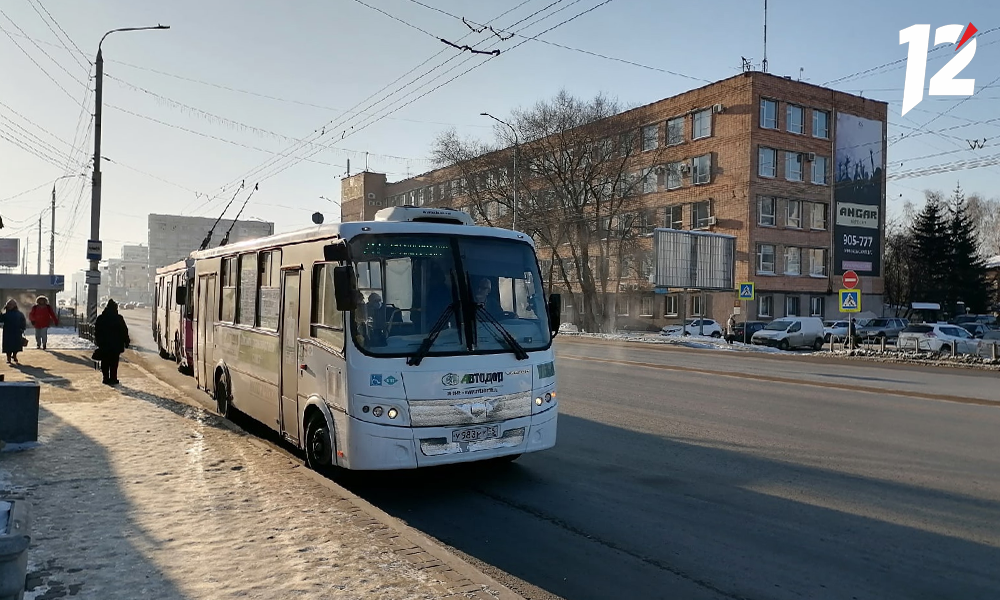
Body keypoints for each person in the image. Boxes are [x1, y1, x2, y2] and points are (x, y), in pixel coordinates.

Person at [94, 299, 130, 385]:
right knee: (114, 363)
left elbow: (97, 331)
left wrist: (98, 342)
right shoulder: (119, 318)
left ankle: (105, 378)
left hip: (104, 345)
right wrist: (126, 341)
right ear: (115, 308)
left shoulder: (101, 318)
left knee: (105, 362)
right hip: (116, 346)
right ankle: (113, 378)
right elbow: (124, 331)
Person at [1, 299, 27, 365]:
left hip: (16, 331)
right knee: (8, 346)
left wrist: (22, 328)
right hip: (8, 331)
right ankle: (8, 358)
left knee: (16, 345)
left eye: (11, 304)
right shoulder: (5, 314)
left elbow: (23, 321)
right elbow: (0, 319)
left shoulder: (19, 314)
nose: (10, 306)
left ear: (14, 305)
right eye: (9, 304)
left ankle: (14, 356)